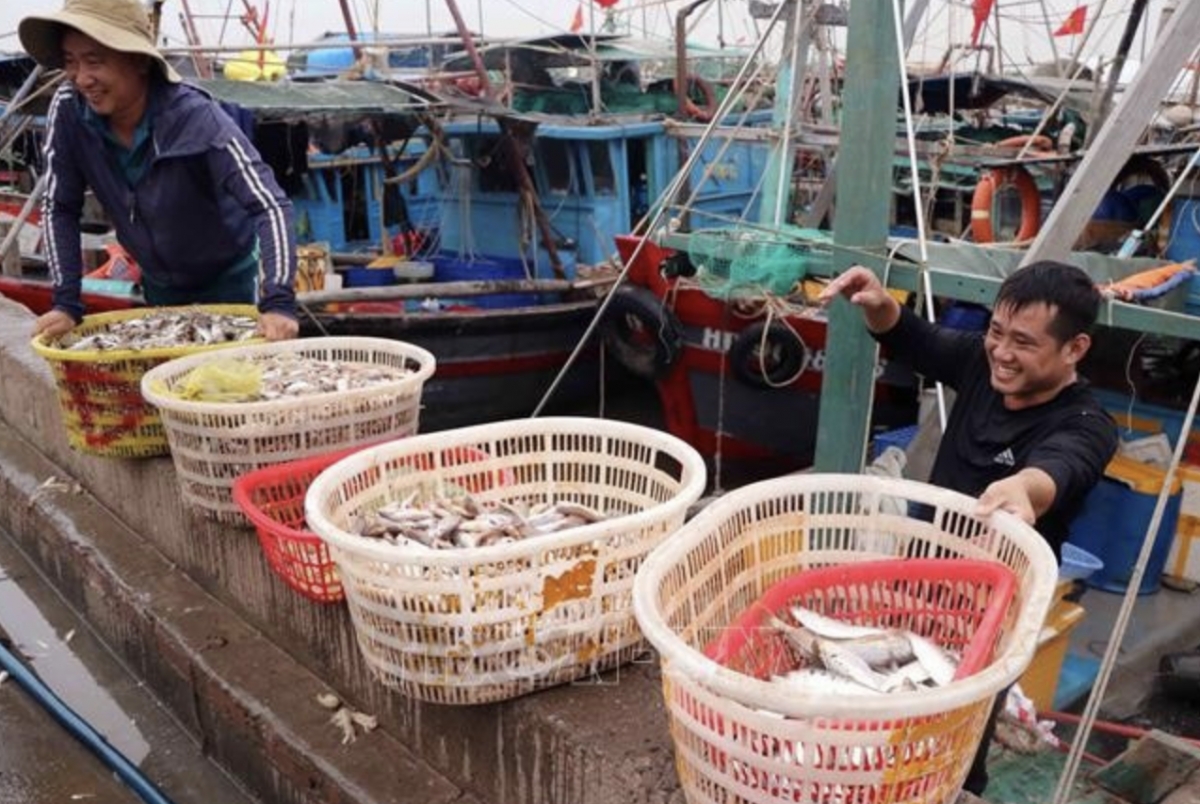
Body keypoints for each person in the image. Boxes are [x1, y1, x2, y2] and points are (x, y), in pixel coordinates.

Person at [818, 259, 1119, 795]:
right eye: (996, 332)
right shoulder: (983, 366)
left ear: (1074, 349)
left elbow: (1060, 466)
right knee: (884, 721)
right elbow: (919, 340)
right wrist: (880, 300)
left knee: (959, 739)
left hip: (988, 620)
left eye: (1023, 343)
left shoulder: (1087, 424)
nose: (1001, 352)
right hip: (916, 589)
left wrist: (1021, 491)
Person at [20, 0, 299, 342]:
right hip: (159, 284)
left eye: (94, 61)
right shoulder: (68, 109)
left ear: (137, 60)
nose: (82, 78)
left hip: (232, 278)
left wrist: (279, 302)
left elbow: (270, 205)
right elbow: (59, 207)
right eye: (70, 63)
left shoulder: (196, 118)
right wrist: (66, 303)